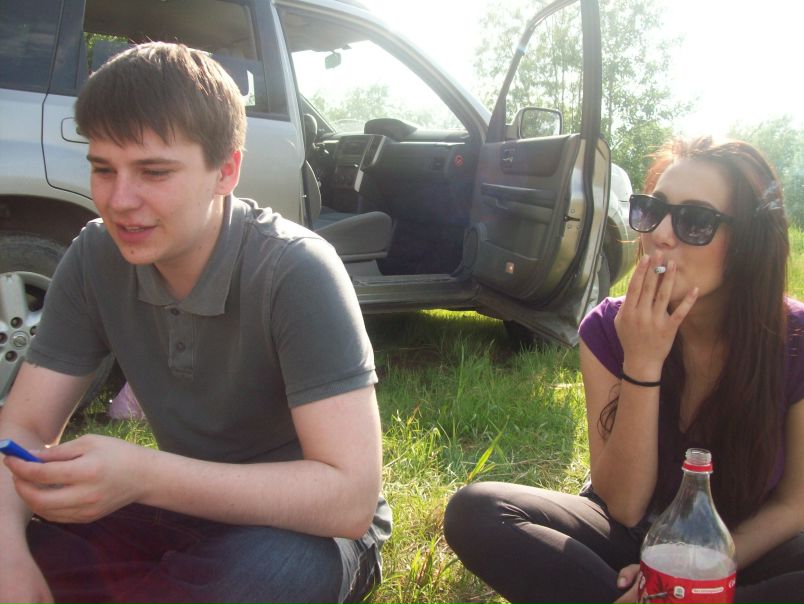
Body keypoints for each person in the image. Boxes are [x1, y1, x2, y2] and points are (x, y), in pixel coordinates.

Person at [0, 42, 390, 603]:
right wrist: (8, 553)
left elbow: (348, 499)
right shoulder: (95, 257)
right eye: (103, 169)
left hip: (305, 532)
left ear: (225, 170)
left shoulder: (295, 269)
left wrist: (145, 475)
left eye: (154, 172)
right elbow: (25, 427)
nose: (119, 200)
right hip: (170, 509)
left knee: (257, 579)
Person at [443, 136, 804, 603]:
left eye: (695, 221)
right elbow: (626, 505)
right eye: (653, 210)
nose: (661, 234)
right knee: (477, 512)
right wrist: (643, 362)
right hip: (628, 538)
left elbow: (794, 504)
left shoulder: (793, 340)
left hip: (738, 548)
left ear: (748, 244)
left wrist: (696, 574)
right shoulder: (608, 328)